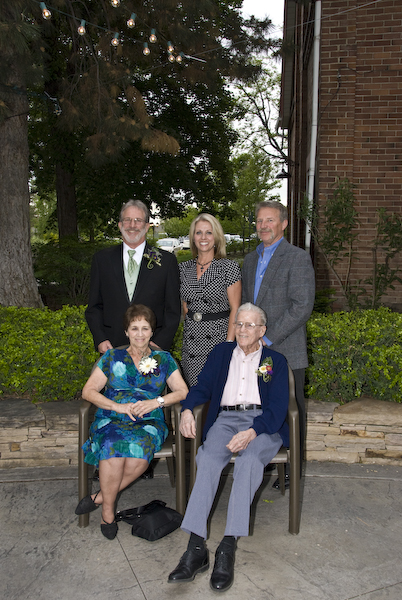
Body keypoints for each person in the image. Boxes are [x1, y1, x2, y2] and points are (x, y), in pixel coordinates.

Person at [168, 303, 289, 592]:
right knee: (208, 458)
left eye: (249, 325)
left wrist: (252, 431)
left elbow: (278, 407)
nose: (242, 330)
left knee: (248, 462)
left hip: (262, 424)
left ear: (262, 330)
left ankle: (228, 545)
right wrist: (187, 410)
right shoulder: (221, 353)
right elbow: (202, 387)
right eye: (239, 324)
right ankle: (196, 546)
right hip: (226, 419)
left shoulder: (274, 360)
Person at [75, 304, 188, 539]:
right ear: (126, 331)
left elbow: (182, 391)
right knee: (112, 445)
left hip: (148, 420)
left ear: (152, 331)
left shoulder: (164, 359)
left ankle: (100, 497)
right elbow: (88, 391)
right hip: (111, 417)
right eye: (134, 328)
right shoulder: (111, 357)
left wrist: (156, 402)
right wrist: (117, 406)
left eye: (145, 328)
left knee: (138, 457)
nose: (140, 334)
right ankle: (108, 512)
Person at [241, 200, 315, 485]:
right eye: (260, 221)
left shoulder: (297, 258)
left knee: (290, 411)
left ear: (283, 223)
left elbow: (301, 306)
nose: (263, 226)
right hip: (255, 351)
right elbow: (248, 303)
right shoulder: (250, 260)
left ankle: (291, 472)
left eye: (270, 220)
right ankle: (264, 462)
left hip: (285, 350)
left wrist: (266, 338)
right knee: (262, 408)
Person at [85, 199, 181, 354]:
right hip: (112, 347)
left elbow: (173, 311)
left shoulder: (165, 261)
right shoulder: (102, 260)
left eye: (138, 220)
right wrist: (101, 339)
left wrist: (159, 344)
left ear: (147, 226)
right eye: (127, 220)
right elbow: (94, 307)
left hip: (151, 348)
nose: (132, 225)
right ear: (120, 225)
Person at [179, 213, 241, 387]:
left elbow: (235, 309)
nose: (203, 237)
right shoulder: (183, 268)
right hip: (191, 342)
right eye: (198, 232)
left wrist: (228, 345)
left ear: (217, 237)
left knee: (216, 393)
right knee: (193, 393)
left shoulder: (228, 267)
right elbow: (186, 306)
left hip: (218, 340)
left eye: (209, 232)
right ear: (193, 237)